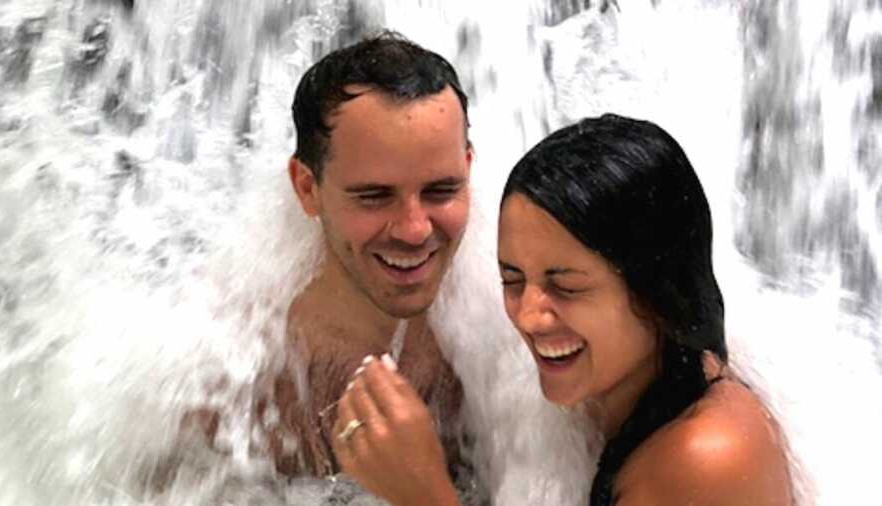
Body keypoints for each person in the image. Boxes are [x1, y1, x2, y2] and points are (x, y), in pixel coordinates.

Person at [330, 114, 793, 505]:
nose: (528, 316)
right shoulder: (634, 384)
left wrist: (425, 494)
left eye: (566, 287)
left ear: (655, 290)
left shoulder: (704, 459)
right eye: (513, 280)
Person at [255, 31, 474, 477]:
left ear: (469, 167)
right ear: (306, 188)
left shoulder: (517, 319)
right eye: (374, 196)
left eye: (442, 190)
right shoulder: (247, 380)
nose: (415, 230)